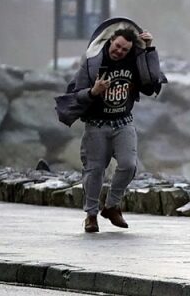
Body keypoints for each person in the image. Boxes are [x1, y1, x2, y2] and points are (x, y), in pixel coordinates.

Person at [65, 28, 160, 233]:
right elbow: (75, 94)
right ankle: (91, 216)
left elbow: (151, 83)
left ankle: (111, 206)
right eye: (117, 46)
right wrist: (93, 91)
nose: (119, 51)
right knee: (95, 170)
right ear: (110, 42)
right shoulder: (93, 63)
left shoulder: (134, 61)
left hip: (123, 122)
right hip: (96, 124)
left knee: (128, 164)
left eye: (125, 49)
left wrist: (149, 48)